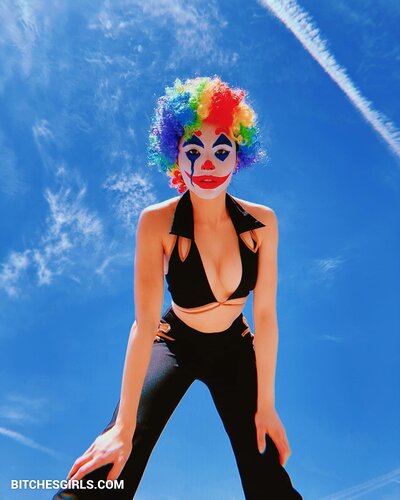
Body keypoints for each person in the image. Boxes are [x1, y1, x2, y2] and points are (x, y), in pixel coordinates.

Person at [53, 77, 302, 499]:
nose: (207, 164)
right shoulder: (157, 222)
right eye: (193, 151)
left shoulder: (263, 223)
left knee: (267, 469)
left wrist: (266, 405)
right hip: (173, 343)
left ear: (238, 156)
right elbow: (144, 323)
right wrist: (123, 426)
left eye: (221, 151)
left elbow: (265, 317)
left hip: (235, 348)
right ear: (176, 157)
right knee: (114, 459)